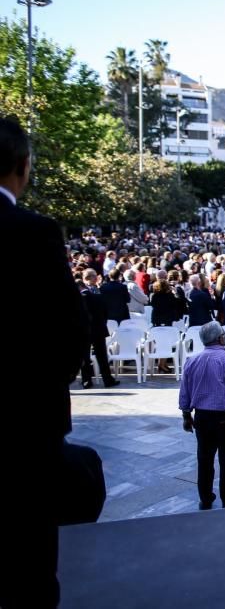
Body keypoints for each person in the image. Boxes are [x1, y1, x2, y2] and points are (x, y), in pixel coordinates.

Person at [0, 118, 88, 608]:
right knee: (29, 571)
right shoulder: (32, 233)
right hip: (22, 428)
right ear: (23, 166)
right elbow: (71, 332)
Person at [178, 322, 225, 510]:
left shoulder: (192, 361)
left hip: (203, 418)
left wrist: (186, 415)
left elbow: (185, 391)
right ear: (220, 338)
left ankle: (206, 497)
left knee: (205, 459)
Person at [80, 269, 121, 389]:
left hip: (88, 328)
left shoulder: (92, 291)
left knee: (89, 356)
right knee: (98, 356)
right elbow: (104, 309)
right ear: (92, 277)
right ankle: (105, 379)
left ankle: (87, 380)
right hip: (96, 327)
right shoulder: (93, 291)